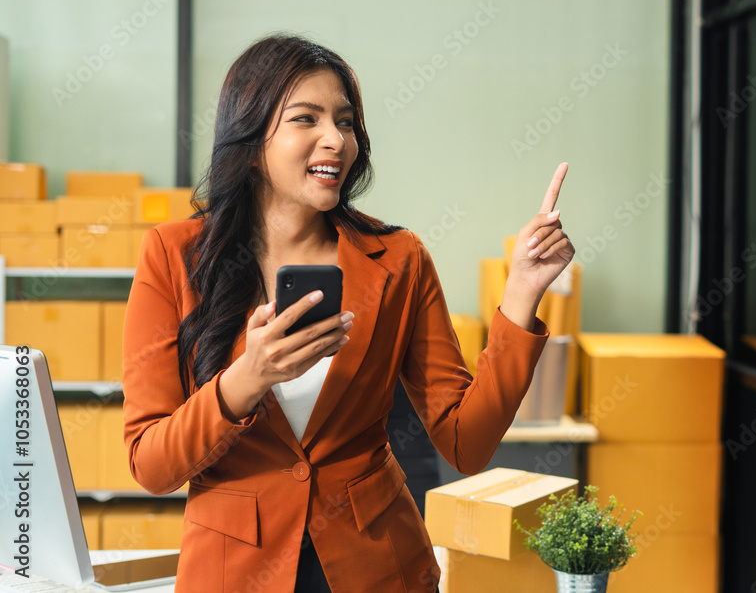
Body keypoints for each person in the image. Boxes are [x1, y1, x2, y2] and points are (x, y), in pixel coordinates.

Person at [121, 34, 575, 592]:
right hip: (236, 572)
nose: (336, 139)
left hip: (376, 567)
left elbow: (466, 442)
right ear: (250, 133)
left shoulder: (399, 258)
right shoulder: (173, 255)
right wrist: (249, 376)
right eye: (305, 119)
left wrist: (523, 293)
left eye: (346, 121)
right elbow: (151, 464)